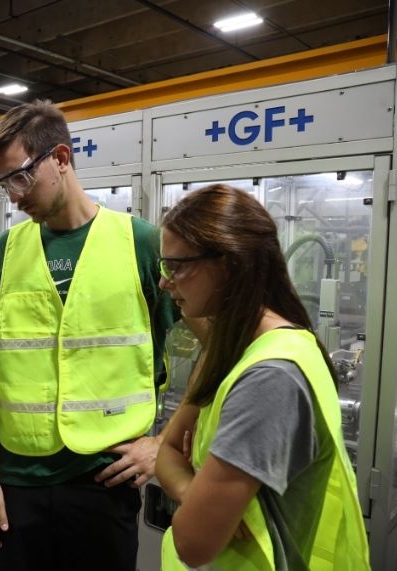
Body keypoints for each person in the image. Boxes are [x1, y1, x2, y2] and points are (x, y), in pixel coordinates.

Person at [0, 99, 177, 570]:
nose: (14, 197)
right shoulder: (7, 250)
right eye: (3, 186)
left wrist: (163, 443)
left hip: (103, 482)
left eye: (19, 178)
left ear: (60, 159)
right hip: (16, 482)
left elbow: (217, 347)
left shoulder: (142, 242)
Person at [155, 184, 369, 570]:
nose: (165, 283)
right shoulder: (233, 349)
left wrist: (191, 493)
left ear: (229, 264)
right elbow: (167, 452)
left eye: (178, 266)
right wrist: (192, 490)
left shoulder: (271, 378)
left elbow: (192, 542)